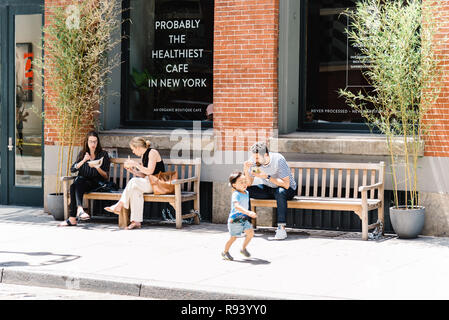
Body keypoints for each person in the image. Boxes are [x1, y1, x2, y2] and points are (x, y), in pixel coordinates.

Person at [104, 137, 165, 230]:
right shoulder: (143, 155)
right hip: (149, 182)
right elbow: (144, 174)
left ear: (138, 147)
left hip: (157, 184)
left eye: (133, 149)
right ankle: (136, 221)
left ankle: (119, 204)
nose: (133, 152)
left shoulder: (152, 152)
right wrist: (133, 171)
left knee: (133, 181)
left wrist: (136, 164)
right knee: (135, 191)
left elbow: (150, 171)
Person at [243, 142, 297, 240]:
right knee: (245, 191)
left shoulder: (278, 160)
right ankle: (248, 227)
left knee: (279, 192)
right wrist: (246, 170)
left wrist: (267, 177)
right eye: (254, 157)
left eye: (257, 158)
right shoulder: (254, 162)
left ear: (266, 155)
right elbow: (249, 183)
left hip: (287, 189)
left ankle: (281, 228)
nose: (255, 160)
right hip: (269, 188)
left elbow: (286, 184)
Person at [59, 131, 111, 227]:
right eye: (91, 141)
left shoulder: (103, 154)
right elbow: (73, 169)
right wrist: (84, 160)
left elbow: (106, 176)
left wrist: (97, 167)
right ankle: (78, 211)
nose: (93, 144)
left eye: (95, 142)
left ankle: (73, 217)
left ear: (98, 142)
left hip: (96, 183)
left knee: (75, 185)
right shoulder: (83, 153)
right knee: (75, 184)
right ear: (87, 142)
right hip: (82, 182)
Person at [222, 171, 257, 261]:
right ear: (234, 185)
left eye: (245, 181)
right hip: (235, 220)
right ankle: (225, 252)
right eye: (241, 182)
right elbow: (237, 206)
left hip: (244, 219)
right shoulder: (236, 194)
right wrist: (248, 212)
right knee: (234, 237)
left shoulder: (246, 192)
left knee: (250, 233)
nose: (244, 184)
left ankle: (243, 248)